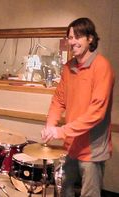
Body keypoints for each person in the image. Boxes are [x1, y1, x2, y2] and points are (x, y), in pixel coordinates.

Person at [41, 17, 115, 197]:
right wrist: (50, 126)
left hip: (92, 149)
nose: (72, 41)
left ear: (90, 39)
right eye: (69, 37)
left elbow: (96, 113)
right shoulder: (68, 67)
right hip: (70, 145)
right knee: (62, 190)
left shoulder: (102, 66)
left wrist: (61, 131)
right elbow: (59, 100)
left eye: (77, 37)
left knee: (89, 194)